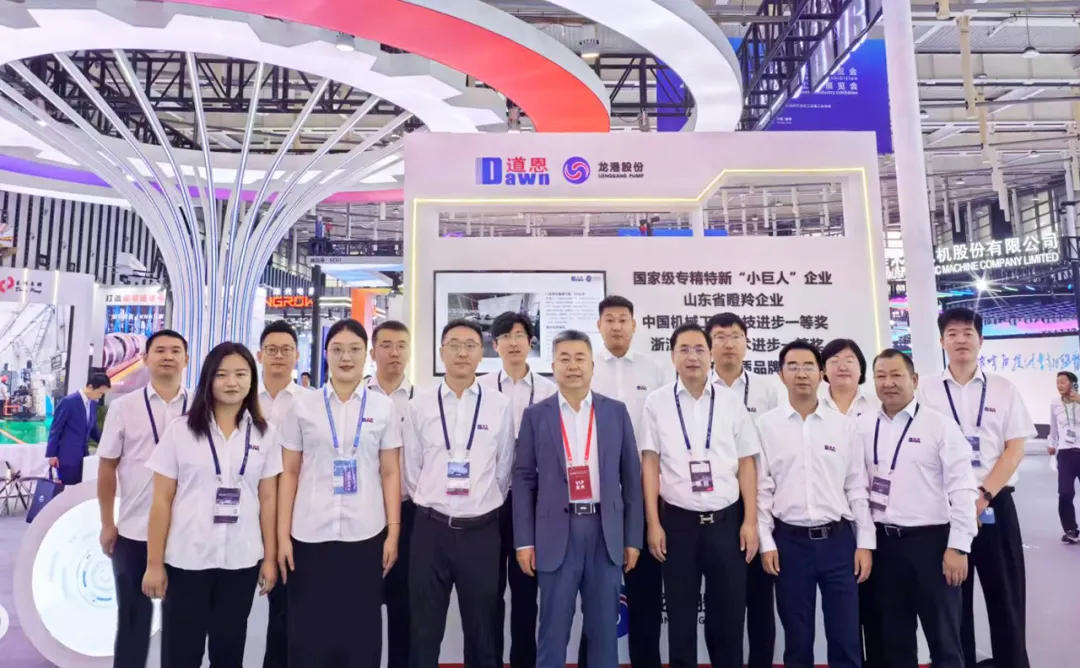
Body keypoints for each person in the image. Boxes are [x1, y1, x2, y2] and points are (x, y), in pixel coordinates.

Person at [142, 342, 281, 668]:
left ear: (252, 380)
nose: (232, 382)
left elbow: (268, 499)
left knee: (229, 652)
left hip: (241, 559)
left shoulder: (265, 434)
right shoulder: (181, 431)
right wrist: (154, 564)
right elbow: (161, 501)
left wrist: (270, 558)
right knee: (181, 653)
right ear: (208, 379)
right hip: (187, 559)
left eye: (241, 374)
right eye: (222, 375)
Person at [277, 318, 402, 667]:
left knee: (360, 632)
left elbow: (390, 472)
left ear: (367, 354)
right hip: (309, 534)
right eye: (337, 349)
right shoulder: (302, 406)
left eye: (354, 349)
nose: (346, 357)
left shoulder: (382, 407)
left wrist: (393, 533)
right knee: (309, 632)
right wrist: (283, 536)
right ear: (326, 354)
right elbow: (289, 472)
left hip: (365, 534)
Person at [514, 328, 643, 668]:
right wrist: (524, 540)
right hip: (556, 533)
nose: (573, 366)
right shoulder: (536, 415)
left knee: (604, 633)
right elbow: (523, 479)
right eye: (565, 359)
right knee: (553, 632)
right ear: (553, 366)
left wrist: (633, 537)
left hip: (605, 532)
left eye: (580, 358)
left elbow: (631, 478)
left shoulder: (615, 412)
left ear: (592, 366)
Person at [916, 308, 1035, 668]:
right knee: (953, 601)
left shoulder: (1003, 388)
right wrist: (962, 502)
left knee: (1007, 598)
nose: (961, 340)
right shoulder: (924, 390)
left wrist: (983, 496)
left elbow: (1015, 448)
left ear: (981, 340)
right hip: (944, 509)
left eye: (968, 333)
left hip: (995, 504)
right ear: (942, 342)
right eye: (952, 334)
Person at [641, 323, 760, 668]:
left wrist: (750, 521)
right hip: (677, 524)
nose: (692, 357)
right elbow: (650, 462)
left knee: (728, 619)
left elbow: (746, 462)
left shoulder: (731, 402)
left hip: (726, 523)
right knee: (680, 619)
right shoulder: (657, 402)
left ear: (711, 355)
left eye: (699, 349)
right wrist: (653, 523)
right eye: (684, 349)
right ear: (672, 356)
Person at [403, 319, 514, 668]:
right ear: (441, 352)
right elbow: (412, 470)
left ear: (481, 354)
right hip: (430, 530)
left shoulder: (499, 405)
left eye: (470, 345)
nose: (462, 352)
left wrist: (478, 503)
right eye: (454, 345)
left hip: (481, 532)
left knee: (483, 633)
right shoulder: (420, 404)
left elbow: (503, 469)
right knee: (424, 632)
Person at [756, 339, 874, 668]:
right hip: (789, 544)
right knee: (797, 640)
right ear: (780, 375)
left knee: (846, 638)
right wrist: (766, 542)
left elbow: (856, 487)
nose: (801, 373)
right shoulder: (766, 426)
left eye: (808, 366)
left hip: (839, 543)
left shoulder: (844, 426)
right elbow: (762, 489)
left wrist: (865, 543)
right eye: (792, 366)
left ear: (821, 373)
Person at [859, 348, 978, 668]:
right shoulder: (862, 426)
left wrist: (959, 546)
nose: (888, 383)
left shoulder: (939, 426)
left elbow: (963, 488)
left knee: (944, 638)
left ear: (914, 380)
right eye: (881, 376)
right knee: (894, 640)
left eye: (896, 375)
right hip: (884, 546)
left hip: (933, 545)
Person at [97, 330, 190, 668]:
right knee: (133, 621)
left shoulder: (200, 407)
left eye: (176, 351)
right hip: (134, 530)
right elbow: (107, 467)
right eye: (160, 350)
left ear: (186, 360)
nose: (168, 356)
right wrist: (107, 522)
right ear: (145, 358)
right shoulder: (124, 407)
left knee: (182, 624)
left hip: (186, 533)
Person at [584, 295, 663, 668]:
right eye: (609, 319)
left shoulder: (654, 370)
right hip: (593, 496)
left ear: (634, 325)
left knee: (645, 596)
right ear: (599, 326)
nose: (616, 326)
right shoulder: (585, 367)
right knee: (594, 596)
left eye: (623, 319)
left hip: (642, 495)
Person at [479, 311, 558, 668]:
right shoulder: (480, 388)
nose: (513, 342)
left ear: (530, 342)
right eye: (505, 337)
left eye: (520, 335)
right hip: (489, 502)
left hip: (534, 504)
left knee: (527, 595)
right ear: (495, 345)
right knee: (489, 594)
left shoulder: (549, 390)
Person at [705, 311, 778, 668]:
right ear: (709, 345)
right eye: (720, 336)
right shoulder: (696, 388)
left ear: (747, 343)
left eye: (735, 335)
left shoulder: (768, 389)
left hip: (762, 507)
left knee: (760, 598)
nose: (728, 343)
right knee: (720, 600)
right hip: (717, 507)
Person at [366, 319, 415, 668]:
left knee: (404, 606)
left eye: (401, 345)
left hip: (409, 512)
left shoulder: (422, 401)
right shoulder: (356, 397)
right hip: (365, 512)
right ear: (373, 352)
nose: (394, 352)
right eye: (386, 345)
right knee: (362, 604)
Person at [255, 320, 303, 668]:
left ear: (296, 356)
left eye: (286, 350)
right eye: (271, 350)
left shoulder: (309, 403)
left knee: (285, 611)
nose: (279, 356)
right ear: (260, 355)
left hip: (290, 515)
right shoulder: (242, 399)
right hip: (244, 512)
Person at [46, 372, 110, 485]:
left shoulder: (92, 404)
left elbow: (93, 430)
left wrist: (107, 444)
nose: (100, 397)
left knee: (81, 488)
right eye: (100, 393)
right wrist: (52, 454)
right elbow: (56, 428)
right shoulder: (68, 402)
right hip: (67, 457)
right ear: (90, 387)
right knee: (68, 489)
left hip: (84, 457)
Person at [1048, 370, 1080, 544]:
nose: (1059, 385)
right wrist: (1051, 444)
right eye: (1057, 382)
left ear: (1073, 384)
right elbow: (1053, 427)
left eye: (1063, 382)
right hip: (1065, 453)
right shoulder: (1055, 403)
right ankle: (1070, 530)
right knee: (1065, 493)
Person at [820, 338, 880, 418]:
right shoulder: (815, 406)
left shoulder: (878, 405)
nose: (842, 368)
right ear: (824, 369)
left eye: (849, 361)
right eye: (834, 361)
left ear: (861, 368)